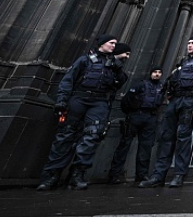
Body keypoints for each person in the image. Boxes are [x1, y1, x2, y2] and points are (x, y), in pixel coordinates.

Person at [37, 34, 129, 191]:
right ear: (102, 43)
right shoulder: (84, 60)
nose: (114, 46)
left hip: (99, 102)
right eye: (111, 43)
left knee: (92, 135)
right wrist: (62, 100)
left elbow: (120, 82)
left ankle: (77, 174)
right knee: (66, 135)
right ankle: (52, 175)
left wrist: (118, 68)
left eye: (115, 44)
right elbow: (68, 80)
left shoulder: (113, 64)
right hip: (79, 98)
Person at [139, 35, 193, 188]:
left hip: (189, 101)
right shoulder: (183, 61)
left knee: (183, 137)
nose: (189, 45)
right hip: (175, 101)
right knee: (166, 137)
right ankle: (158, 175)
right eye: (188, 43)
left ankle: (179, 175)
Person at [108, 65, 164, 184]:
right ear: (150, 73)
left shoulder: (161, 87)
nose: (157, 74)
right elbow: (127, 100)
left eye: (159, 72)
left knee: (146, 148)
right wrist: (130, 113)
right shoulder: (140, 84)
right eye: (155, 72)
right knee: (124, 145)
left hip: (151, 117)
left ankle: (142, 175)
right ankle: (114, 175)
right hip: (136, 115)